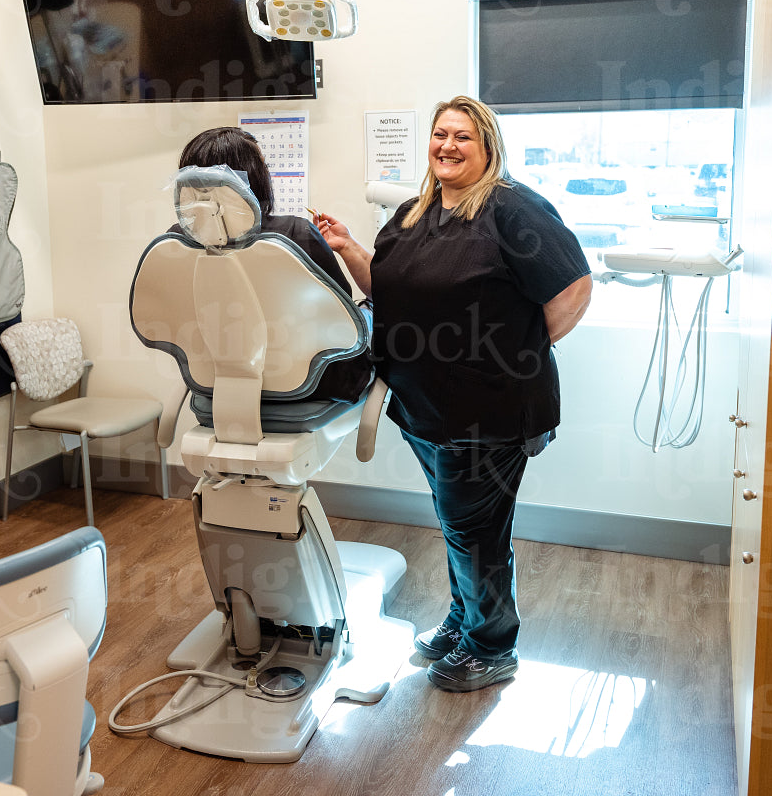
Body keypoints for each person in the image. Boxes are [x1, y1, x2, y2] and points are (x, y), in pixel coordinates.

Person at [314, 96, 592, 692]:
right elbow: (386, 288)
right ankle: (466, 620)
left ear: (487, 145)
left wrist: (515, 351)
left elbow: (573, 289)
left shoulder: (512, 210)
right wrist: (349, 250)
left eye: (463, 137)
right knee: (458, 522)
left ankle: (492, 646)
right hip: (424, 409)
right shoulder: (415, 214)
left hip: (489, 410)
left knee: (476, 530)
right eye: (441, 134)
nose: (448, 146)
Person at [173, 126, 369, 401]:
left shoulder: (176, 244)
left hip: (218, 387)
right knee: (368, 313)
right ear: (253, 178)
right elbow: (342, 315)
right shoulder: (296, 234)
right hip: (313, 386)